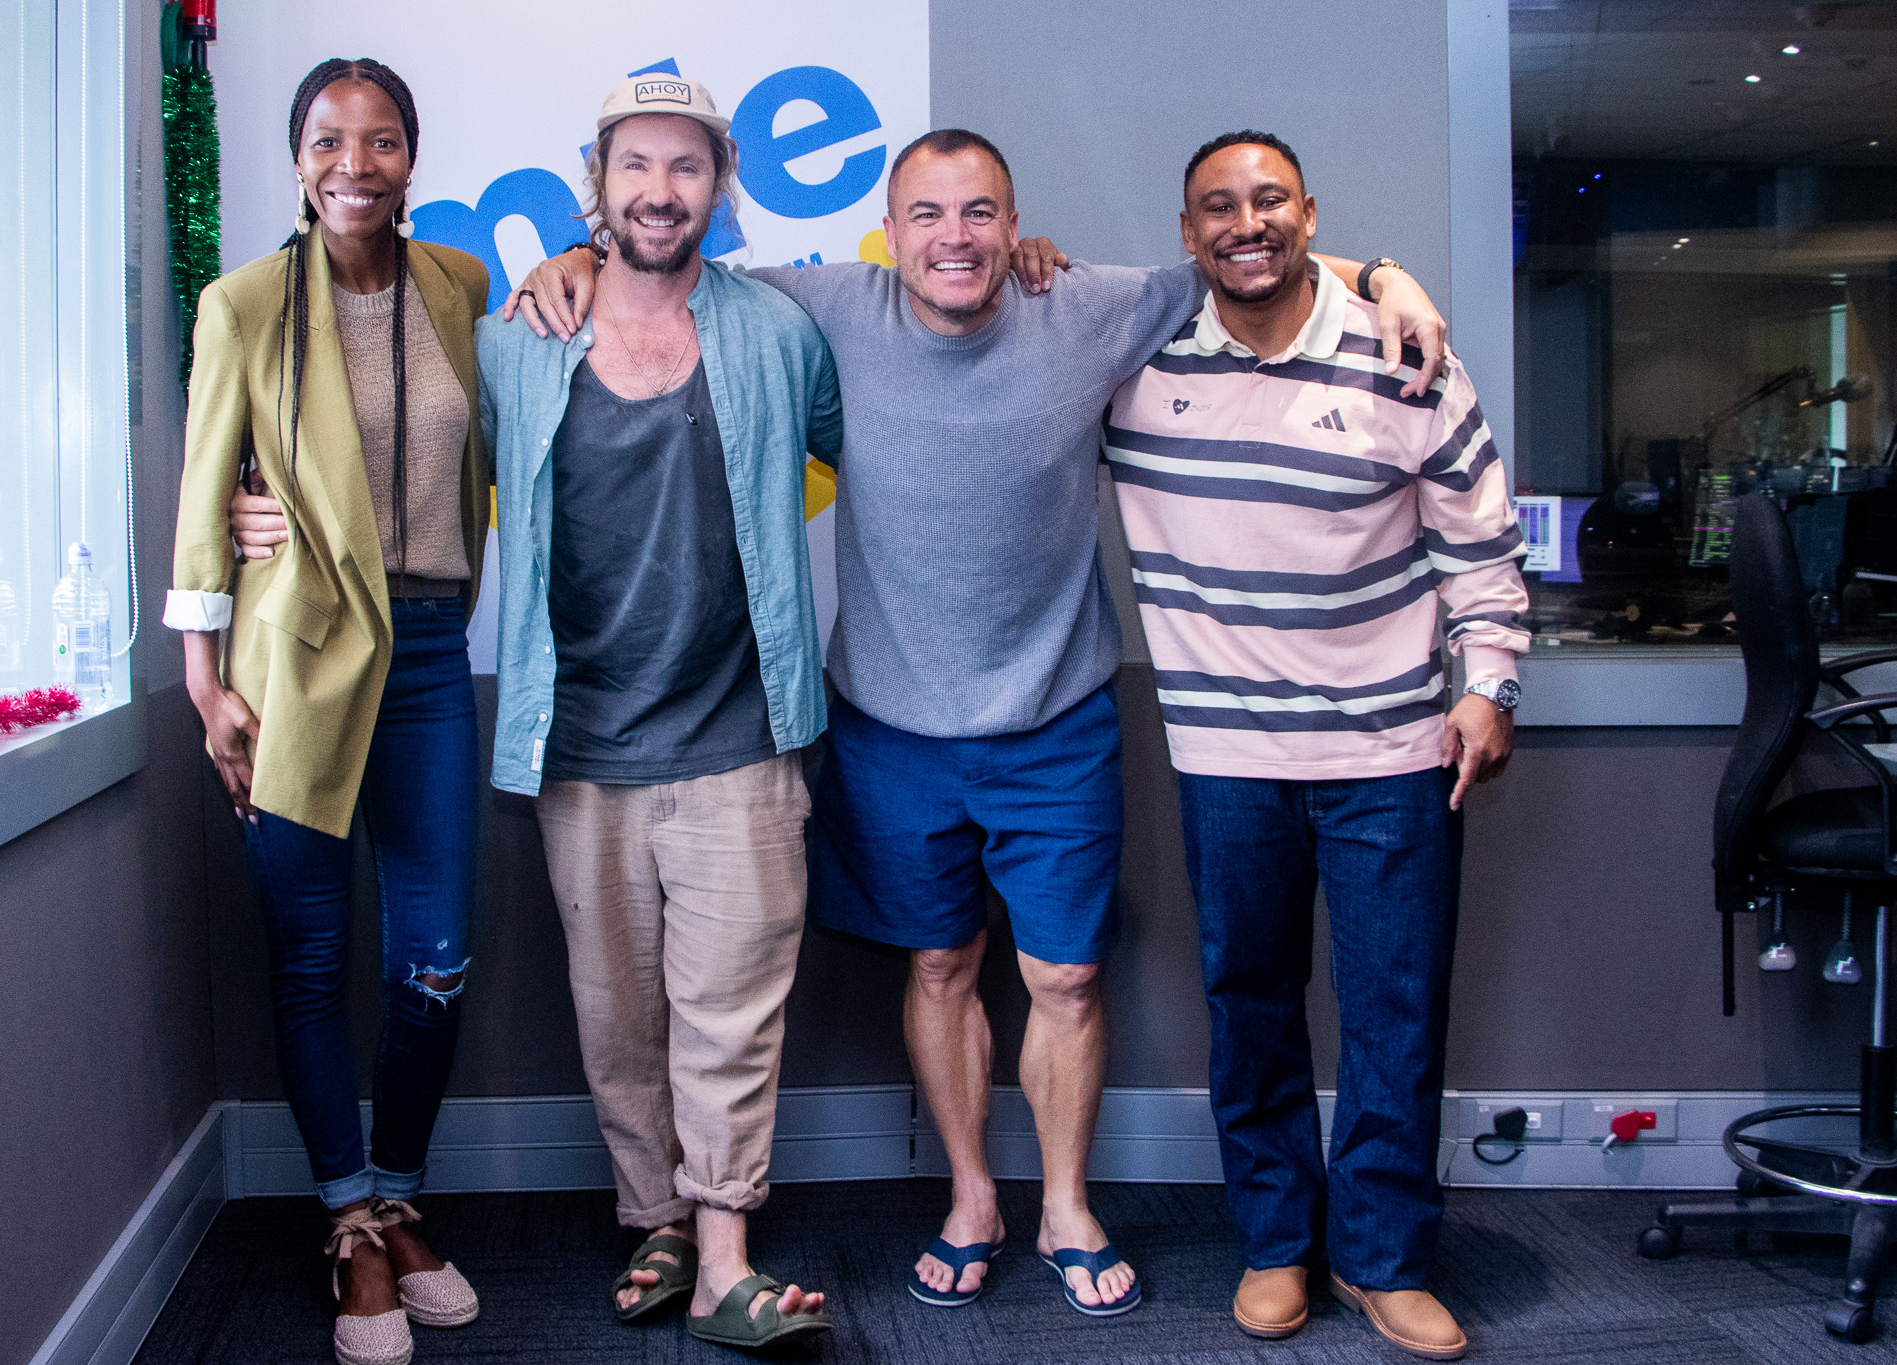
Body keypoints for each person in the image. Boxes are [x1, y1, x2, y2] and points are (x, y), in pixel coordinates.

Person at [510, 127, 1449, 1317]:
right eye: (926, 215)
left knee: (1066, 978)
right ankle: (970, 1198)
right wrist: (576, 260)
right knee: (939, 963)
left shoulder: (1084, 308)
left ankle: (1064, 1205)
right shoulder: (824, 310)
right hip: (891, 727)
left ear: (1012, 226)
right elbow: (669, 267)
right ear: (886, 232)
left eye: (977, 213)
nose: (952, 238)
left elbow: (1246, 260)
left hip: (1055, 722)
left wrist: (1383, 276)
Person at [1100, 130, 1527, 1359]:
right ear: (1186, 234)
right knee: (1248, 1006)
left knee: (1395, 1011)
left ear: (1309, 214)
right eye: (1217, 207)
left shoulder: (1404, 352)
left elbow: (1479, 548)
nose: (1245, 223)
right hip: (1225, 756)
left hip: (1392, 753)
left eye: (1268, 201)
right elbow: (1014, 326)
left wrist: (1489, 686)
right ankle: (1276, 1243)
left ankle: (1381, 1258)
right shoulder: (1133, 359)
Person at [482, 76, 838, 1350]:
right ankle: (660, 1223)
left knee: (730, 1012)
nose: (659, 190)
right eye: (634, 164)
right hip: (578, 744)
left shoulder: (778, 332)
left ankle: (725, 1256)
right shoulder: (517, 340)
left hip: (739, 736)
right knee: (617, 1017)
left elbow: (886, 438)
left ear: (720, 185)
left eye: (686, 166)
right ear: (597, 181)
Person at [167, 57, 488, 1365]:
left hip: (430, 655)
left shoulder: (459, 284)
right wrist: (205, 683)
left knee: (436, 955)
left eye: (381, 139)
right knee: (309, 958)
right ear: (298, 160)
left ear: (412, 156)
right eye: (328, 140)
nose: (355, 163)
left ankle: (399, 1194)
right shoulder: (245, 303)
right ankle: (348, 1220)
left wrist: (582, 266)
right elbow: (207, 489)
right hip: (291, 661)